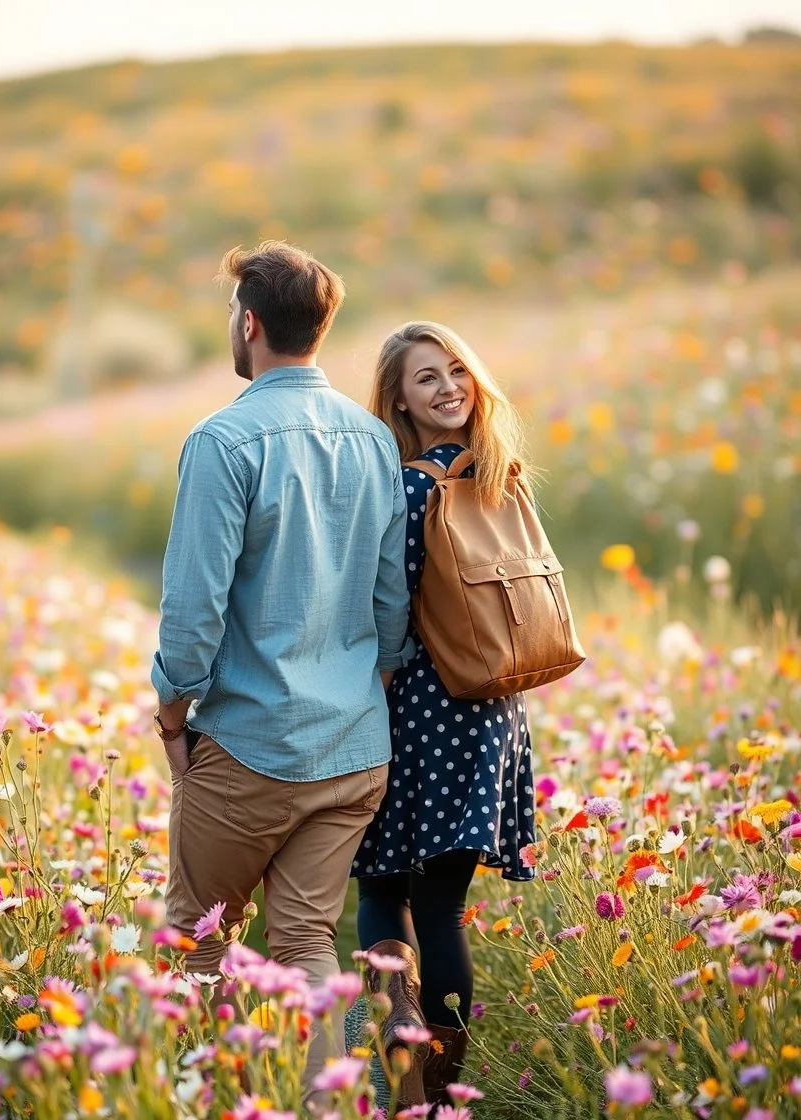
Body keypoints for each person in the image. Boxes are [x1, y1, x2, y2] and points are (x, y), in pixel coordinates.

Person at [150, 241, 413, 1093]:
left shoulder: (224, 442)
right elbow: (389, 604)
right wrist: (359, 692)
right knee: (304, 945)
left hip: (250, 747)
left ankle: (208, 1097)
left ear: (250, 322)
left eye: (232, 312)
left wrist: (171, 713)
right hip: (351, 747)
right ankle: (322, 1105)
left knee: (196, 935)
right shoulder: (372, 439)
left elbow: (193, 617)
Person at [351, 321, 537, 1107]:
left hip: (413, 704)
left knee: (383, 889)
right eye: (427, 378)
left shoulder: (404, 485)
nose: (448, 387)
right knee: (445, 903)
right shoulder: (504, 475)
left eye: (456, 370)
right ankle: (440, 1087)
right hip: (491, 702)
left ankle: (403, 1045)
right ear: (399, 396)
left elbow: (383, 601)